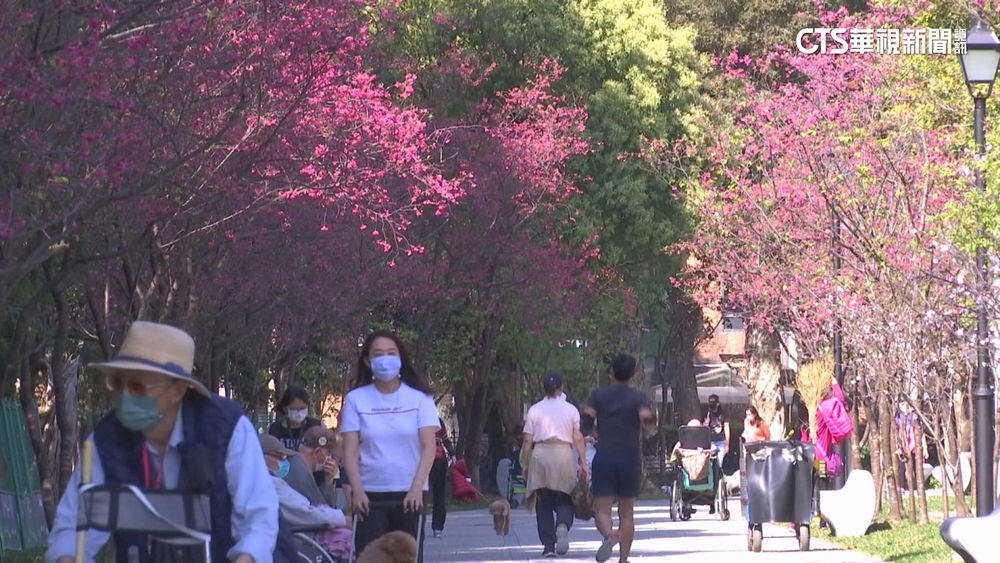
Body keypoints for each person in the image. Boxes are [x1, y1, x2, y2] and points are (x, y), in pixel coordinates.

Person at [45, 321, 277, 563]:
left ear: (177, 391)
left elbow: (259, 519)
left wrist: (247, 558)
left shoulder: (228, 429)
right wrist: (67, 557)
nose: (124, 395)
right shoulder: (105, 441)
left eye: (137, 386)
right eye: (117, 383)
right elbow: (72, 527)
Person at [340, 330, 439, 559]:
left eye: (391, 353)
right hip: (370, 496)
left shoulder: (420, 398)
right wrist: (357, 490)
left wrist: (417, 487)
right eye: (378, 354)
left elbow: (429, 447)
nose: (385, 359)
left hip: (410, 495)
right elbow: (350, 450)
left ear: (400, 357)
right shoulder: (356, 399)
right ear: (368, 360)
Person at [583, 354, 655, 563]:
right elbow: (647, 422)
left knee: (601, 510)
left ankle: (609, 536)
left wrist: (586, 433)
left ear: (612, 372)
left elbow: (586, 420)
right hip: (629, 458)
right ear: (632, 375)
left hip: (605, 456)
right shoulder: (639, 398)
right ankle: (623, 559)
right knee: (627, 513)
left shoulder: (598, 395)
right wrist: (649, 426)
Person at [521, 372, 588, 558]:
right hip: (563, 454)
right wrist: (583, 462)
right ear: (561, 387)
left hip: (541, 454)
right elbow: (578, 438)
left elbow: (527, 440)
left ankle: (548, 546)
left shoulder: (534, 409)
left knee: (543, 502)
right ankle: (563, 525)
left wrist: (525, 463)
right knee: (565, 498)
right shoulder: (571, 410)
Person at [283, 426, 341, 510]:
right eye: (329, 453)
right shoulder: (302, 477)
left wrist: (328, 481)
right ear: (317, 452)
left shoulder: (295, 465)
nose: (330, 458)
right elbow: (323, 512)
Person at [269, 384, 323, 452]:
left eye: (302, 408)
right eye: (294, 409)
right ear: (285, 409)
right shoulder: (274, 429)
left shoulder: (317, 426)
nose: (299, 413)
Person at [430, 417, 456, 538]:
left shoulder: (437, 420)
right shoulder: (413, 419)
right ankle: (417, 523)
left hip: (438, 461)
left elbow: (445, 440)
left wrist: (452, 454)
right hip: (420, 461)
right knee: (420, 494)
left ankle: (438, 526)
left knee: (439, 494)